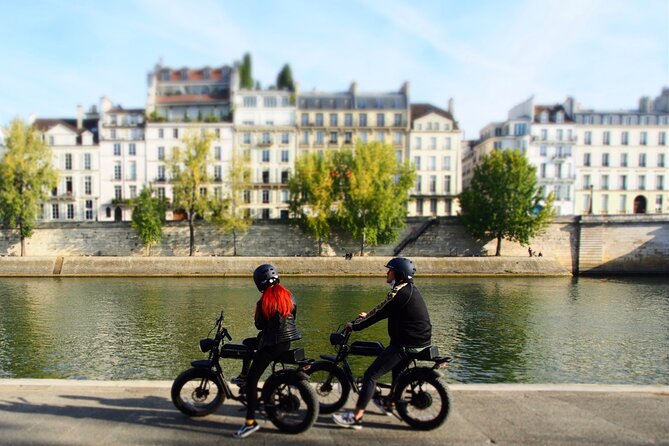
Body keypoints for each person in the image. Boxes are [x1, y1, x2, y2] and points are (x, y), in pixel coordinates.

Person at [332, 257, 432, 430]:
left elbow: (380, 313)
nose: (387, 273)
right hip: (419, 340)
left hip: (405, 344)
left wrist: (354, 326)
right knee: (397, 372)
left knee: (371, 375)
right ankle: (390, 403)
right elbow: (383, 309)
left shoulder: (399, 293)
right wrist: (367, 315)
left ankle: (356, 418)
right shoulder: (408, 290)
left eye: (390, 270)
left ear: (398, 274)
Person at [232, 264, 302, 439]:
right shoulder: (289, 295)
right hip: (286, 342)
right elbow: (293, 317)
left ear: (259, 283)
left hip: (271, 345)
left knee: (252, 381)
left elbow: (259, 325)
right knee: (250, 343)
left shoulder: (263, 301)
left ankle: (250, 422)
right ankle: (243, 374)